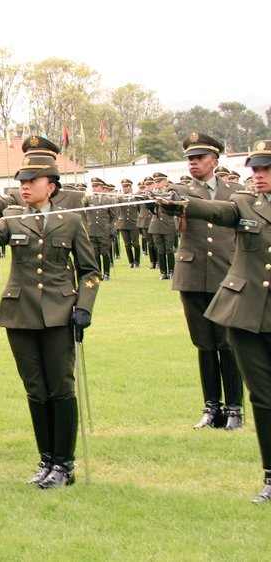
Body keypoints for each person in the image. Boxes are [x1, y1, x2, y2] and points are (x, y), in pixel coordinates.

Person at [0, 154, 99, 488]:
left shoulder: (71, 221)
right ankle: (46, 460)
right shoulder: (12, 219)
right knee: (35, 388)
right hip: (19, 314)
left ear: (50, 187)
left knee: (61, 387)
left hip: (59, 314)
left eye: (31, 182)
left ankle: (64, 464)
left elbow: (90, 271)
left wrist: (85, 306)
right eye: (21, 182)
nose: (24, 187)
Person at [158, 139, 271, 502]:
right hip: (247, 311)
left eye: (267, 169)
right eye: (255, 169)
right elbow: (218, 211)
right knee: (264, 398)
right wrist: (181, 204)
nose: (259, 175)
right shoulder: (243, 201)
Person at [167, 132, 245, 430]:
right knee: (204, 343)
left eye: (199, 158)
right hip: (192, 275)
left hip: (227, 274)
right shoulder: (179, 191)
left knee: (228, 343)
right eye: (189, 159)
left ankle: (235, 408)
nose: (193, 163)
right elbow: (163, 206)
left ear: (214, 160)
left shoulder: (236, 192)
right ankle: (212, 407)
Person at [148, 173, 178, 279]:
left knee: (169, 249)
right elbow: (151, 209)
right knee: (160, 249)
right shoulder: (152, 194)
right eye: (155, 182)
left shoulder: (171, 193)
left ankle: (171, 271)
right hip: (156, 225)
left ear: (165, 181)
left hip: (168, 224)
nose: (157, 184)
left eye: (159, 181)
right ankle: (163, 272)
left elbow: (174, 206)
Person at [117, 179, 141, 268]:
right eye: (123, 187)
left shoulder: (136, 197)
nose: (125, 188)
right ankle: (131, 261)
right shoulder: (120, 198)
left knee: (135, 244)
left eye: (126, 186)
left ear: (131, 187)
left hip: (134, 223)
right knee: (127, 244)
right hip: (123, 224)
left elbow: (140, 210)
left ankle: (137, 261)